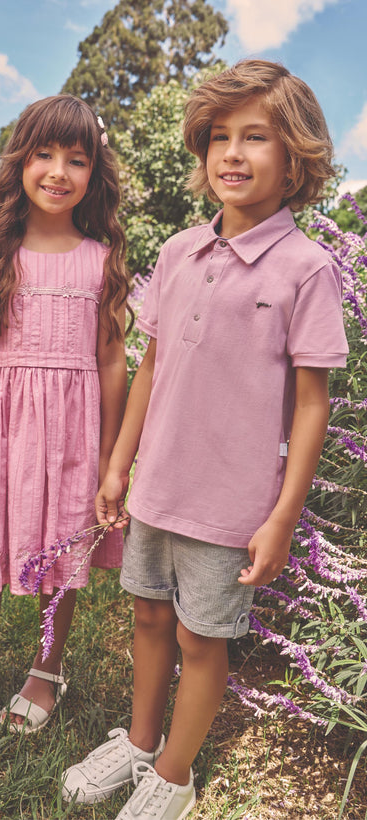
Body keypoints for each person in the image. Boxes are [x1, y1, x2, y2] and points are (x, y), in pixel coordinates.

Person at [62, 59, 348, 819]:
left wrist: (282, 517)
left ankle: (177, 774)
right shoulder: (179, 252)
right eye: (219, 136)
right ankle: (139, 739)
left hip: (231, 504)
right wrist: (119, 464)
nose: (232, 152)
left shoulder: (307, 269)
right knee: (149, 615)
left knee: (200, 637)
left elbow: (312, 404)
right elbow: (150, 365)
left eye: (256, 136)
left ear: (296, 159)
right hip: (158, 481)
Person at [0, 94, 130, 743]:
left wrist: (107, 459)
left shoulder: (100, 262)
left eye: (76, 159)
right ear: (19, 162)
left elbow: (109, 365)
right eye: (44, 153)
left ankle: (45, 671)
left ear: (93, 174)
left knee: (59, 558)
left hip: (71, 437)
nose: (57, 171)